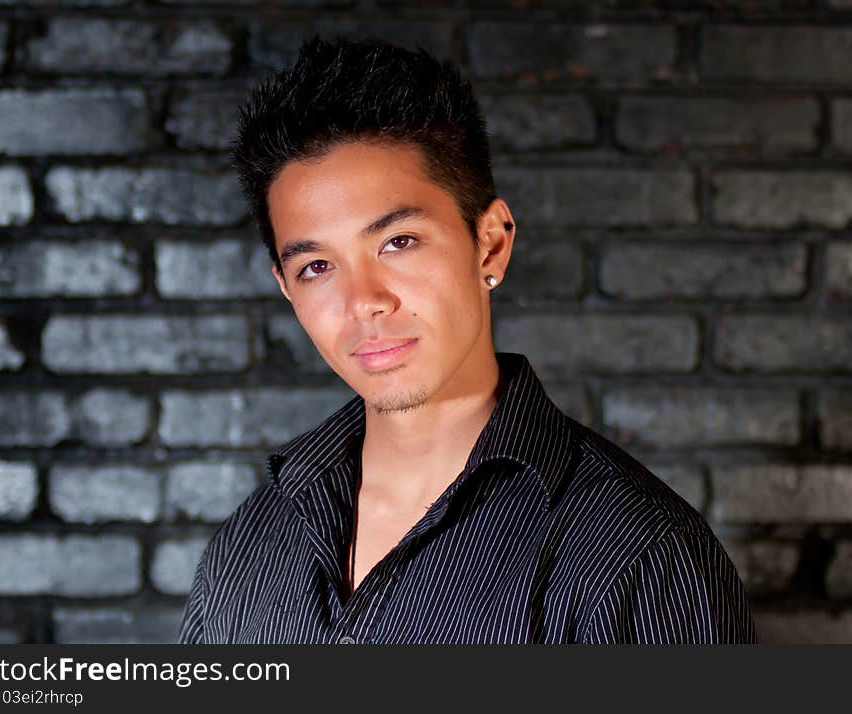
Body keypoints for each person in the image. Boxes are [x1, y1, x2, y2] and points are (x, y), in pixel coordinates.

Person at [177, 35, 756, 644]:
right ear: (287, 289)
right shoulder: (250, 539)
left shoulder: (639, 554)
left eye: (398, 242)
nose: (363, 300)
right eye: (316, 266)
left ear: (491, 242)